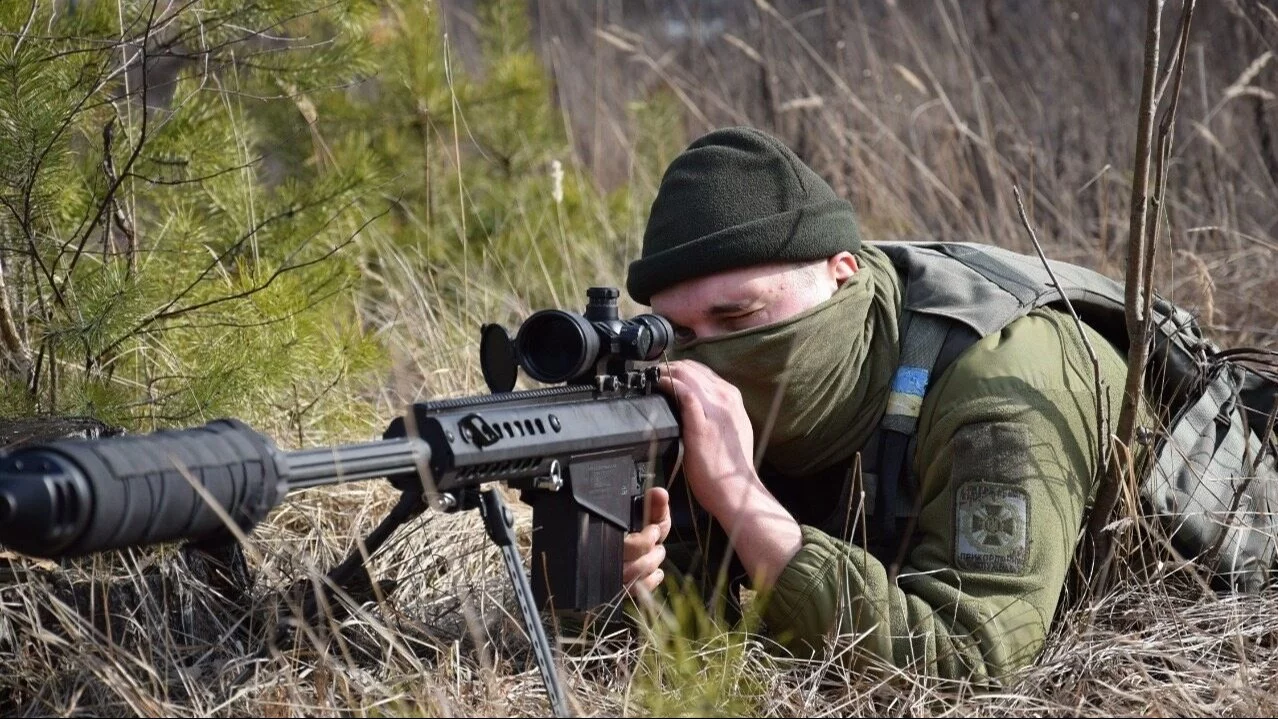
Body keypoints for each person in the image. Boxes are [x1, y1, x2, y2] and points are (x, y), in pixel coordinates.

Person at [618, 126, 1134, 682]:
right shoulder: (695, 391)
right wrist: (629, 585)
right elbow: (698, 661)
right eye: (680, 334)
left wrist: (740, 497)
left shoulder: (1000, 385)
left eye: (739, 317)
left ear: (842, 271)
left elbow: (971, 667)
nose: (714, 354)